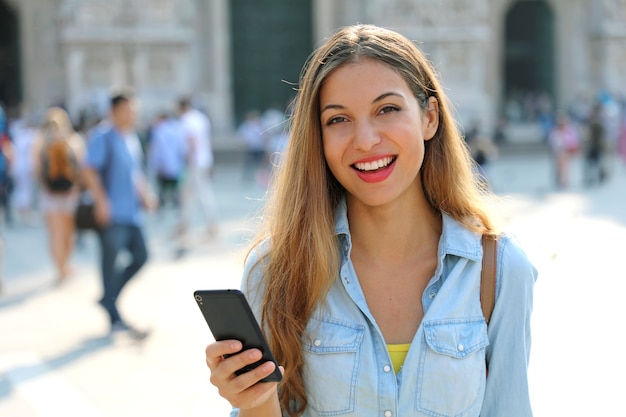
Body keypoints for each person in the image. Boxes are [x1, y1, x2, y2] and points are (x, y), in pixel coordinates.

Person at [204, 24, 537, 417]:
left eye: (387, 109)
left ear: (429, 117)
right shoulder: (274, 271)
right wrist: (255, 402)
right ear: (318, 137)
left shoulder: (498, 271)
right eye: (338, 119)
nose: (364, 139)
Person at [82, 89, 155, 339]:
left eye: (134, 109)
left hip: (132, 213)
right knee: (110, 263)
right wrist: (102, 202)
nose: (132, 114)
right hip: (111, 213)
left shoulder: (130, 137)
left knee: (141, 256)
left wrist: (144, 194)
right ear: (113, 111)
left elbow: (134, 172)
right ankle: (114, 315)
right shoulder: (103, 136)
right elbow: (90, 170)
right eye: (128, 110)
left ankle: (108, 298)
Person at [31, 107, 85, 283]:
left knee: (55, 233)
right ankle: (66, 265)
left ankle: (59, 269)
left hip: (49, 194)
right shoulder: (74, 140)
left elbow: (36, 170)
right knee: (68, 233)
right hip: (70, 193)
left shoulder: (40, 142)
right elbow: (81, 167)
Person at [177, 98, 219, 243]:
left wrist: (189, 159)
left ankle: (210, 223)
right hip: (205, 159)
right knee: (189, 194)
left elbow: (191, 140)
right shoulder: (202, 118)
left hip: (194, 162)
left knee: (200, 193)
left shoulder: (186, 119)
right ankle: (184, 223)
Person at [548, 113, 579, 189]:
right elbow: (552, 141)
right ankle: (559, 180)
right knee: (559, 167)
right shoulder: (555, 131)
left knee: (565, 167)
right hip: (558, 151)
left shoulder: (569, 131)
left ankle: (565, 181)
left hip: (566, 151)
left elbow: (573, 140)